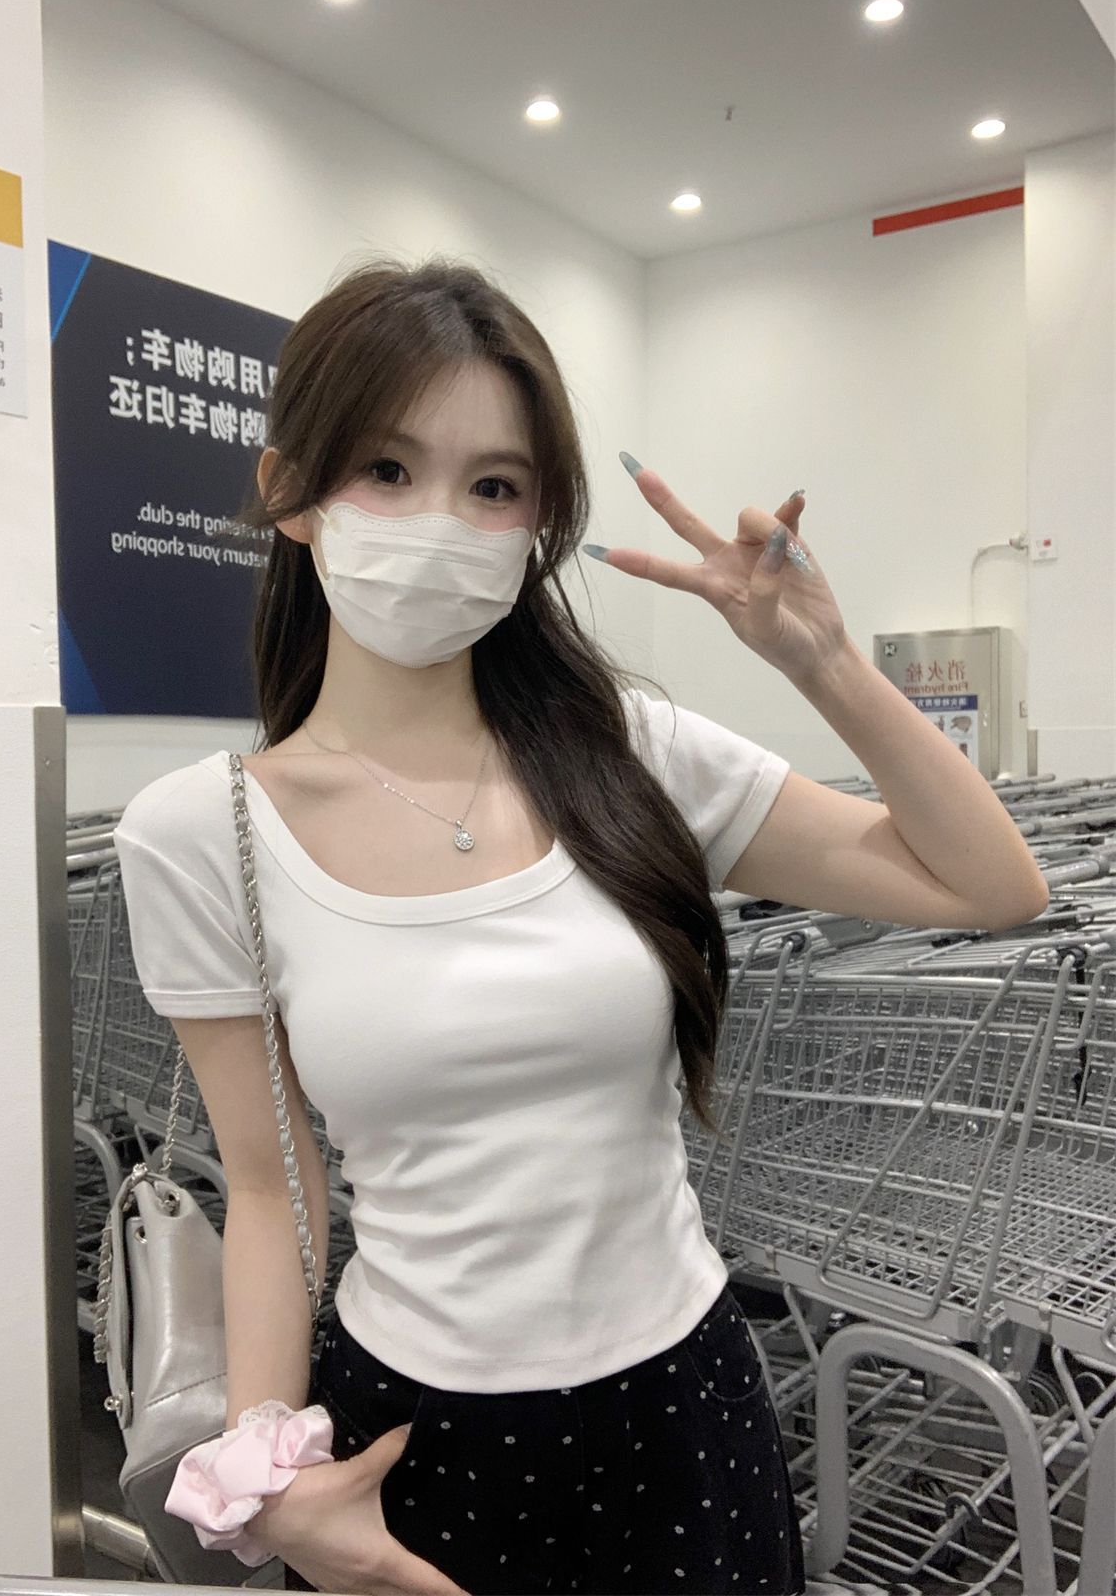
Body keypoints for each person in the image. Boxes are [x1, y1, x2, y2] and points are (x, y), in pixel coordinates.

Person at [112, 255, 1050, 1596]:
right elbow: (268, 1186)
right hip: (414, 1439)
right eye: (387, 469)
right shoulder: (200, 833)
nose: (442, 522)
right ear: (291, 494)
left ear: (537, 523)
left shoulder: (632, 755)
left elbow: (989, 886)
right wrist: (279, 1471)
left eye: (494, 486)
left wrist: (823, 662)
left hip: (684, 1404)